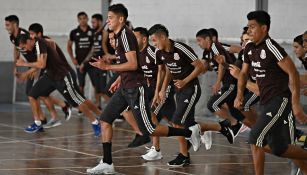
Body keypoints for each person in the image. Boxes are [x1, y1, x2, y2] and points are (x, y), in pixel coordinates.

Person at [86, 4, 201, 174]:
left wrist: (108, 68)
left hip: (135, 88)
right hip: (125, 86)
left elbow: (133, 64)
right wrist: (119, 78)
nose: (107, 20)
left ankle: (188, 132)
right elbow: (131, 63)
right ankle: (107, 162)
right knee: (105, 120)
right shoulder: (118, 36)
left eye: (110, 17)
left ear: (121, 19)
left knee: (150, 128)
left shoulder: (126, 35)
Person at [149, 24, 236, 166]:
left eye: (155, 40)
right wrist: (162, 89)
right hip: (179, 90)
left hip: (191, 88)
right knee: (187, 124)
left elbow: (200, 67)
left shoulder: (181, 48)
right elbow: (166, 71)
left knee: (177, 123)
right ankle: (219, 127)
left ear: (163, 37)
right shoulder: (159, 53)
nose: (154, 43)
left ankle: (184, 156)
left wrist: (185, 81)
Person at [235, 10, 307, 175]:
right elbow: (244, 73)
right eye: (248, 27)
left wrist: (295, 104)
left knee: (255, 137)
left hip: (279, 100)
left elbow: (293, 73)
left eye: (252, 27)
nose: (249, 31)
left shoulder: (271, 47)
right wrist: (239, 95)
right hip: (265, 102)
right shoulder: (249, 49)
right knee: (279, 148)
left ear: (264, 28)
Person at [15, 33, 102, 137]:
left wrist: (24, 64)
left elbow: (41, 64)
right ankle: (38, 122)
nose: (26, 50)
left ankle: (96, 122)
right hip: (51, 75)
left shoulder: (40, 43)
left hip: (62, 75)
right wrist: (26, 74)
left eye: (24, 47)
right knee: (32, 94)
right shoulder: (36, 46)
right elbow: (41, 64)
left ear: (29, 40)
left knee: (77, 101)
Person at [196, 28, 243, 140]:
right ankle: (236, 123)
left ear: (208, 39)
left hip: (231, 82)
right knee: (231, 108)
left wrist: (217, 82)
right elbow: (204, 66)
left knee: (212, 104)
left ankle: (234, 124)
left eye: (199, 40)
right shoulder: (207, 52)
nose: (198, 43)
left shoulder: (215, 47)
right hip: (227, 83)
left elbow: (222, 64)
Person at [28, 23, 73, 127]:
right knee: (41, 94)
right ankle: (59, 112)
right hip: (50, 71)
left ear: (39, 34)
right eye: (29, 34)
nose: (30, 36)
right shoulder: (39, 42)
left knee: (77, 100)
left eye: (32, 34)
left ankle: (97, 118)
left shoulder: (43, 42)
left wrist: (29, 69)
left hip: (57, 72)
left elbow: (42, 63)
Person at [67, 12, 93, 113]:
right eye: (80, 19)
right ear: (78, 20)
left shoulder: (92, 31)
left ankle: (98, 106)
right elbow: (69, 46)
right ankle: (82, 107)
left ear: (87, 19)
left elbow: (94, 47)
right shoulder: (74, 32)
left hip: (91, 63)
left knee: (96, 86)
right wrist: (72, 58)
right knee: (80, 85)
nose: (82, 20)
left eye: (84, 18)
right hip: (79, 62)